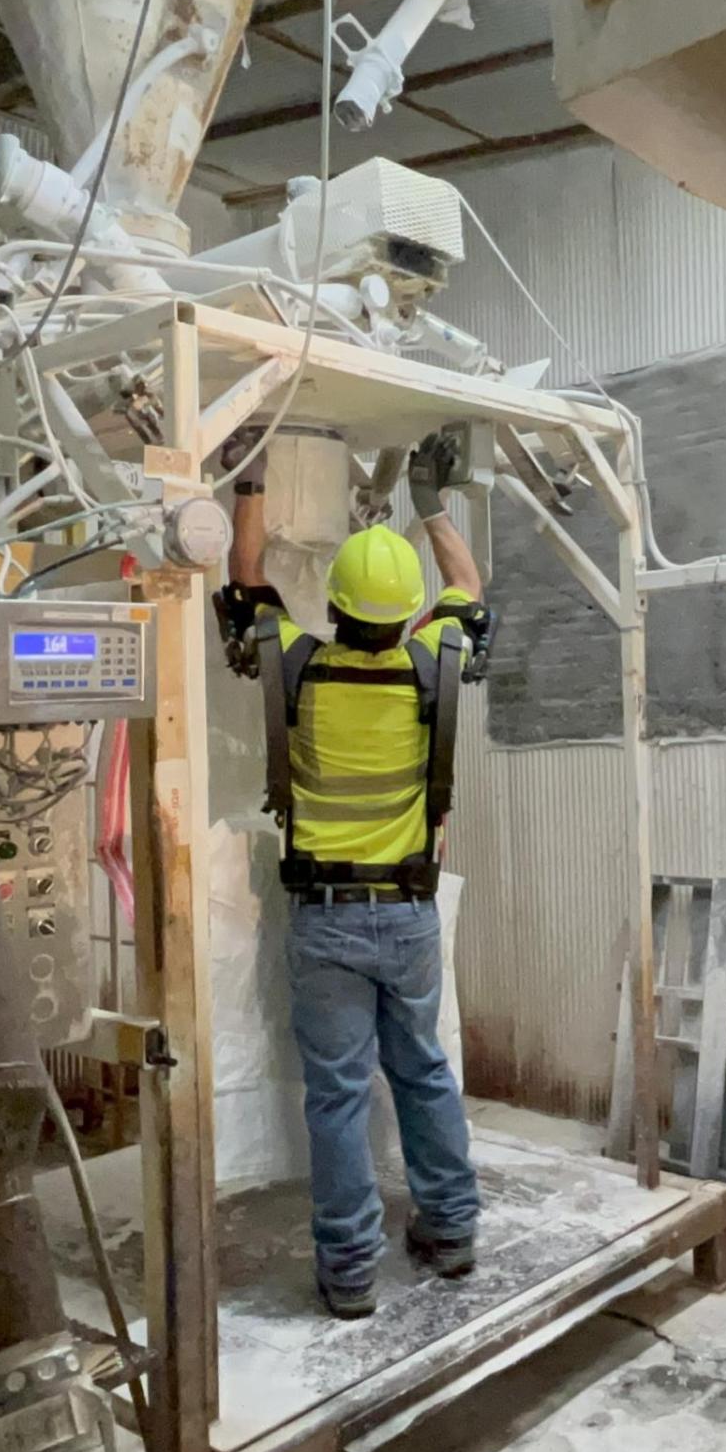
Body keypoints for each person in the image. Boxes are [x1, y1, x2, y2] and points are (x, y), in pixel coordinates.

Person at [214, 430, 493, 1319]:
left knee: (337, 1095)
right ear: (409, 611)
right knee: (422, 1071)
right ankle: (449, 1231)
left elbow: (248, 578)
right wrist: (431, 503)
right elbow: (469, 592)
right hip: (409, 917)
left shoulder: (298, 666)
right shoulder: (431, 663)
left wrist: (250, 478)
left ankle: (349, 1275)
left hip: (326, 920)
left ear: (332, 605)